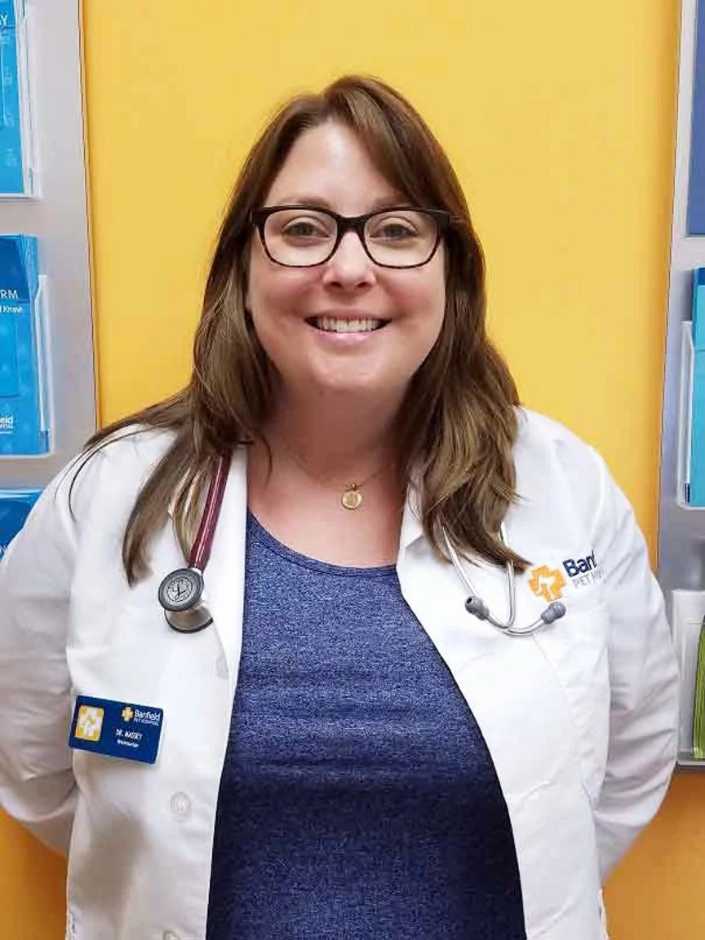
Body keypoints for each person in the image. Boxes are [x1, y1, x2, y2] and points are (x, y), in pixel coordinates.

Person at [0, 74, 678, 940]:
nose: (348, 268)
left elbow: (623, 767)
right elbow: (36, 771)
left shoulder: (562, 488)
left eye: (396, 231)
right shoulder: (108, 497)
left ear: (452, 273)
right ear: (241, 269)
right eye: (302, 230)